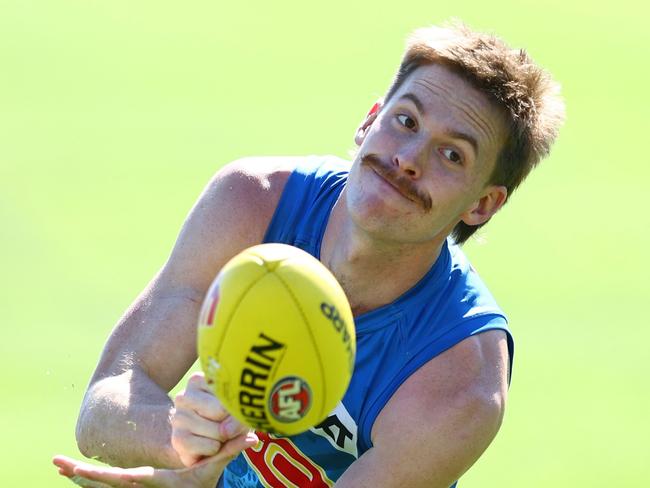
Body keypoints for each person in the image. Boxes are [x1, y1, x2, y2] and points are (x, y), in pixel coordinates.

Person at [53, 21, 564, 488]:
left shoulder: (458, 379)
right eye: (405, 121)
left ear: (482, 204)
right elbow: (103, 407)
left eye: (452, 155)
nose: (408, 160)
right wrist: (179, 443)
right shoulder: (251, 202)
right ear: (369, 122)